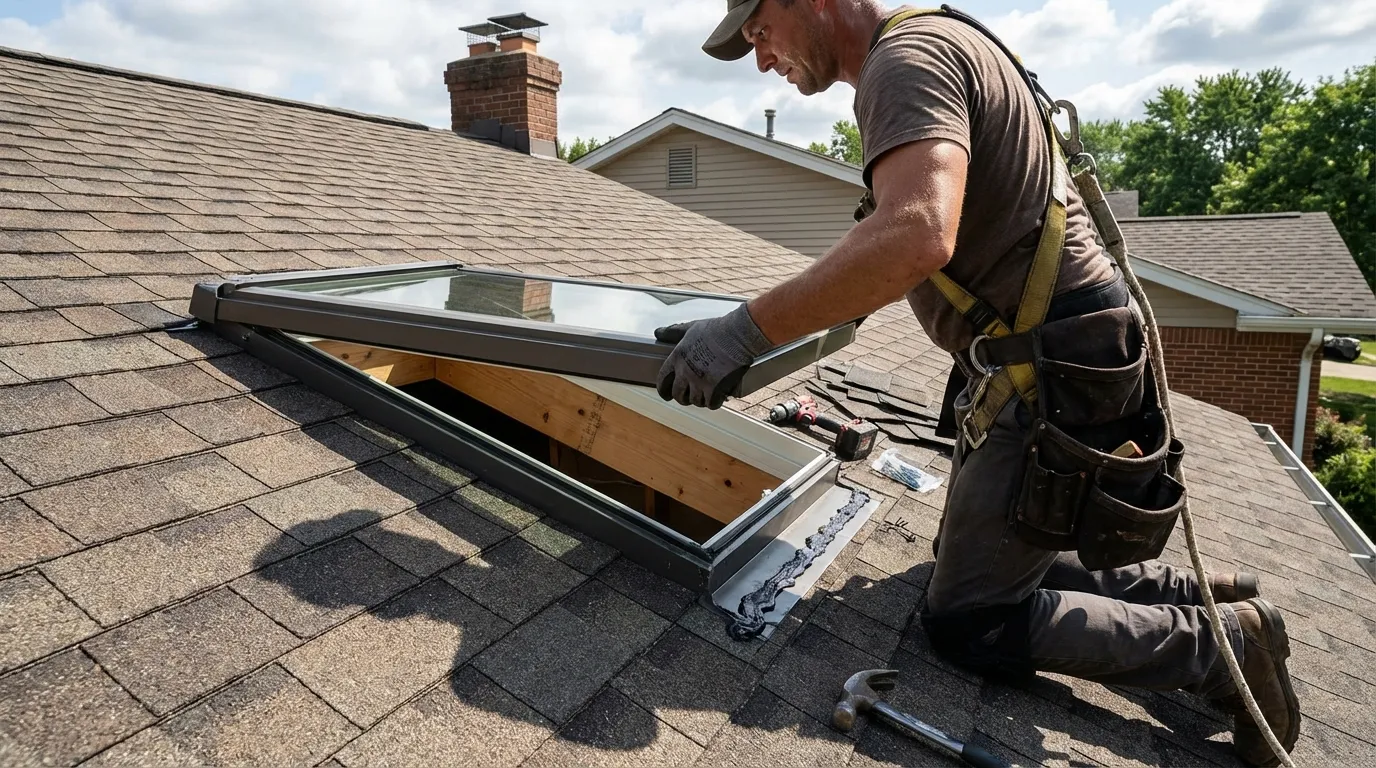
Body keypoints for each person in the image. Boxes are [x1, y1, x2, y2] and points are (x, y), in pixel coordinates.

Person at [652, 2, 1300, 765]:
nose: (761, 58)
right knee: (969, 553)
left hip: (1053, 370)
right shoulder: (941, 39)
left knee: (969, 620)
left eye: (761, 32)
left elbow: (918, 231)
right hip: (1064, 357)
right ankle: (1207, 589)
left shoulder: (905, 61)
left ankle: (1221, 649)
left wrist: (742, 331)